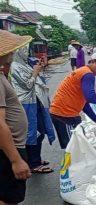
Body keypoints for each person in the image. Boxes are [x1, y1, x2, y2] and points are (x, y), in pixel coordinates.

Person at [50, 52, 96, 149]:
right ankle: (73, 163)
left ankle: (77, 162)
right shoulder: (88, 74)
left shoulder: (83, 71)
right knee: (72, 148)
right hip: (64, 114)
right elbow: (91, 97)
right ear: (93, 62)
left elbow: (84, 102)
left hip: (64, 113)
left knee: (78, 145)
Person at [10, 45, 56, 174]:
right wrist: (35, 72)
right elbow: (28, 84)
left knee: (38, 131)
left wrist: (37, 69)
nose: (28, 52)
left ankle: (34, 159)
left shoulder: (23, 64)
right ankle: (33, 163)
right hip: (27, 103)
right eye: (26, 50)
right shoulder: (15, 67)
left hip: (35, 102)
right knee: (35, 132)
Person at [0, 30, 32, 205]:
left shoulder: (2, 75)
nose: (13, 52)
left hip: (8, 147)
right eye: (9, 49)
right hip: (9, 149)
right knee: (8, 199)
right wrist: (16, 160)